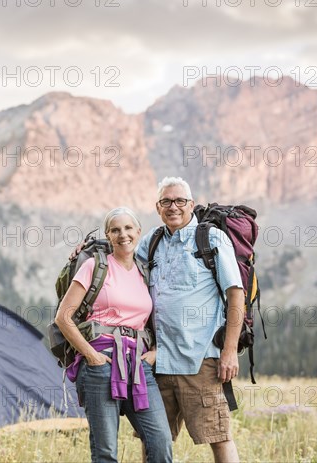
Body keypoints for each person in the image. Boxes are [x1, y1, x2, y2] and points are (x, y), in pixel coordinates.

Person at [135, 176, 244, 463]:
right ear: (158, 207)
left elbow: (236, 296)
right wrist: (90, 253)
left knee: (218, 436)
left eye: (180, 200)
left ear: (191, 205)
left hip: (201, 360)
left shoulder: (211, 239)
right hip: (157, 361)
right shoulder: (152, 241)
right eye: (166, 201)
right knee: (153, 438)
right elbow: (120, 263)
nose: (173, 206)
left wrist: (230, 351)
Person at [55, 207, 173, 463]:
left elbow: (156, 320)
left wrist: (155, 353)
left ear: (138, 232)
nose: (123, 235)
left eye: (128, 228)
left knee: (160, 442)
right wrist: (91, 356)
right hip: (101, 364)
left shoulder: (145, 272)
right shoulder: (94, 266)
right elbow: (63, 317)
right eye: (115, 230)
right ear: (108, 236)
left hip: (139, 367)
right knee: (106, 452)